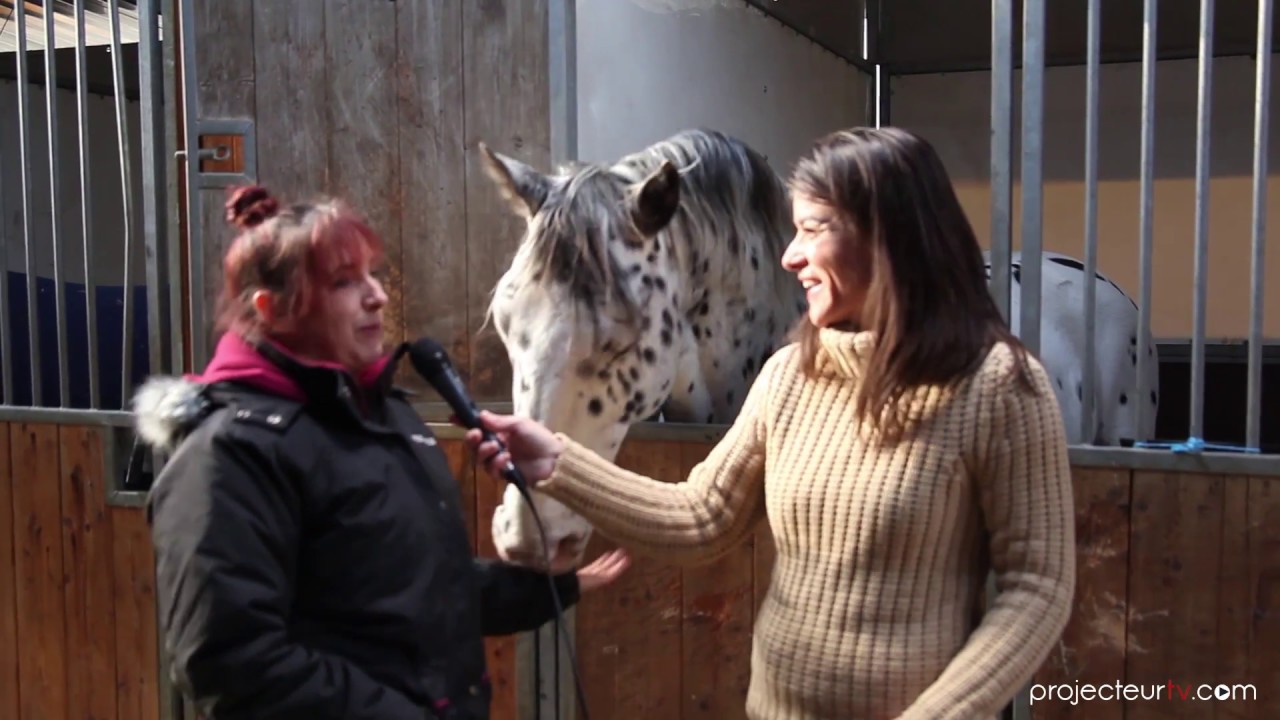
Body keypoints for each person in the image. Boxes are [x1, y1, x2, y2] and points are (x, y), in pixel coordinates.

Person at [465, 127, 1076, 720]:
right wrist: (557, 463)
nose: (790, 256)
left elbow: (1038, 587)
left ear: (889, 236)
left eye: (813, 229)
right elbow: (703, 515)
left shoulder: (999, 386)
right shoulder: (790, 374)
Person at [133, 185, 630, 720]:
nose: (377, 296)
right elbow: (232, 661)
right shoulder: (228, 455)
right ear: (271, 309)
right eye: (344, 282)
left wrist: (551, 590)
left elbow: (419, 583)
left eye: (371, 274)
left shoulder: (386, 415)